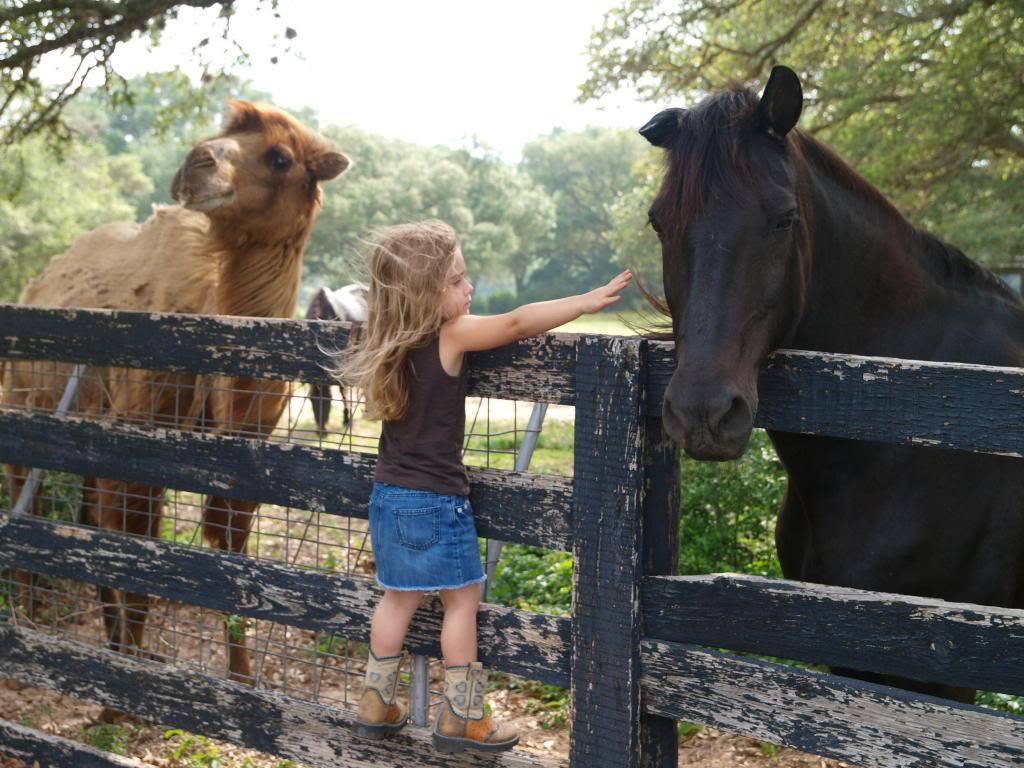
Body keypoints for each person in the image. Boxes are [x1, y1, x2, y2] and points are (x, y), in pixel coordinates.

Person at [336, 219, 631, 754]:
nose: (468, 289)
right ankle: (464, 715)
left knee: (397, 600)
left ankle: (374, 702)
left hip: (389, 496)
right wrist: (584, 302)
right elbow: (518, 322)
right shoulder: (450, 334)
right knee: (462, 602)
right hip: (435, 500)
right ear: (426, 294)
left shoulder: (386, 338)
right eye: (456, 280)